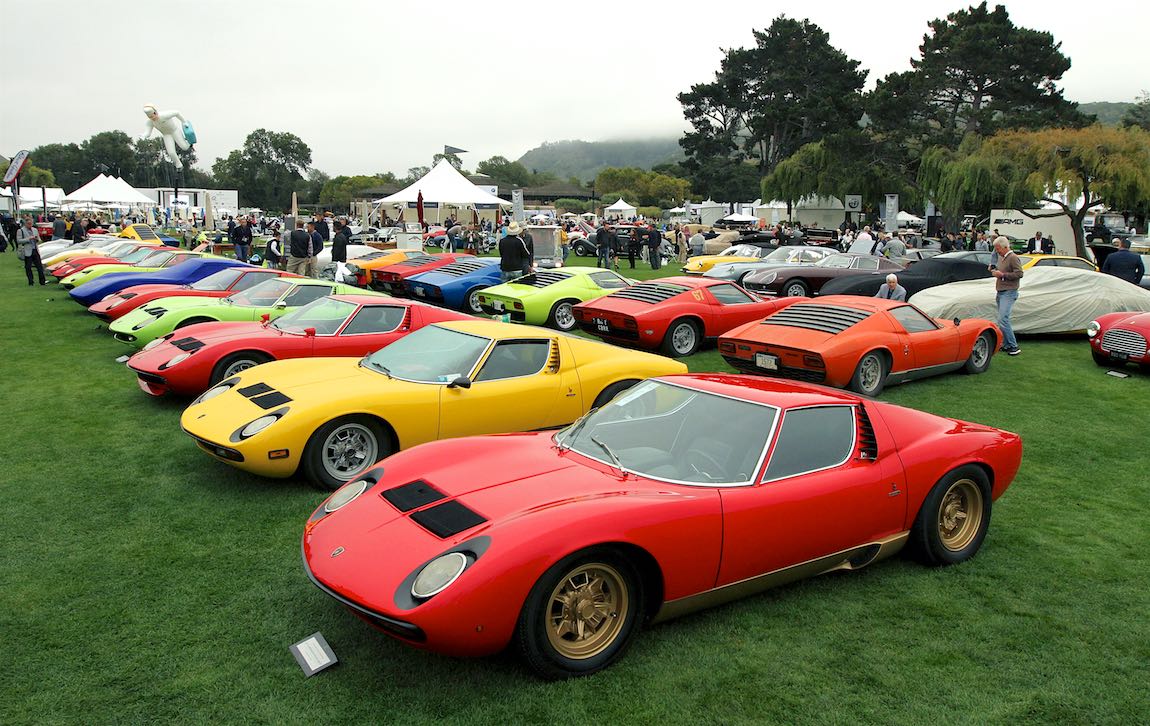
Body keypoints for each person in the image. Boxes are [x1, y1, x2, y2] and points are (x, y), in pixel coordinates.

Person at [991, 236, 1023, 356]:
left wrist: (1002, 275)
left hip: (1009, 292)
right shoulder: (1002, 258)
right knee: (1002, 319)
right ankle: (1006, 344)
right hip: (1001, 291)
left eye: (998, 248)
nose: (997, 251)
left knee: (1003, 319)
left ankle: (1014, 346)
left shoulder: (1013, 257)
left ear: (1005, 246)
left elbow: (1019, 273)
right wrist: (994, 270)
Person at [16, 218, 48, 285]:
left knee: (40, 267)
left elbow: (39, 239)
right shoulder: (20, 230)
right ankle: (31, 281)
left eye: (31, 224)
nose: (30, 225)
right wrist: (28, 239)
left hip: (35, 250)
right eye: (28, 224)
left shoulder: (35, 230)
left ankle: (42, 281)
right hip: (27, 251)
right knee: (28, 267)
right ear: (25, 224)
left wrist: (37, 239)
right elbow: (18, 241)